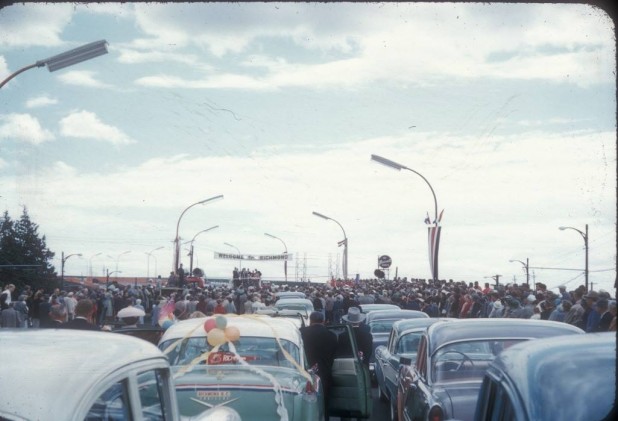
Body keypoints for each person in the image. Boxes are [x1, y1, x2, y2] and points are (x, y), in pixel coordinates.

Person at [300, 311, 338, 420]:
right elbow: (334, 355)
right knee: (324, 402)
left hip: (303, 371)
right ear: (323, 321)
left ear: (310, 321)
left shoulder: (301, 333)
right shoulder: (331, 335)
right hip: (324, 373)